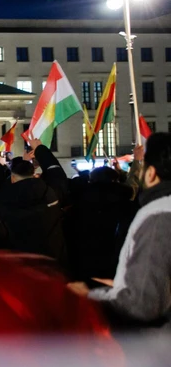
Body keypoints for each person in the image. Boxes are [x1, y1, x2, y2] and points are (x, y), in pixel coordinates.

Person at [74, 133, 171, 328]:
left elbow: (142, 303)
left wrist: (89, 296)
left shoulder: (157, 216)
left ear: (151, 174)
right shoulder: (137, 207)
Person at [0, 155, 67, 265]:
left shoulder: (1, 201)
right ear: (33, 175)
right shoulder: (50, 195)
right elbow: (57, 176)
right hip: (51, 261)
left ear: (12, 178)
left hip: (18, 262)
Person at [64, 166, 137, 281]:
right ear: (116, 180)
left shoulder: (78, 206)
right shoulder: (129, 207)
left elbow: (69, 237)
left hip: (84, 267)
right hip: (120, 268)